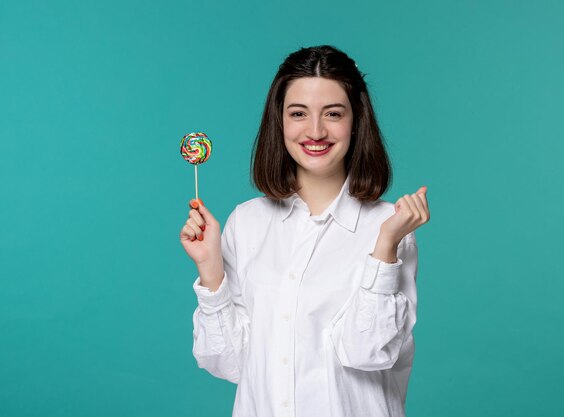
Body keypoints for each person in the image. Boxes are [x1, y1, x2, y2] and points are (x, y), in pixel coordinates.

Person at [180, 45, 430, 417]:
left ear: (356, 121)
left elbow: (368, 353)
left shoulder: (390, 229)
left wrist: (385, 247)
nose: (315, 131)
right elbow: (227, 364)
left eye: (333, 113)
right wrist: (211, 271)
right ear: (278, 121)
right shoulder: (245, 223)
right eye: (298, 113)